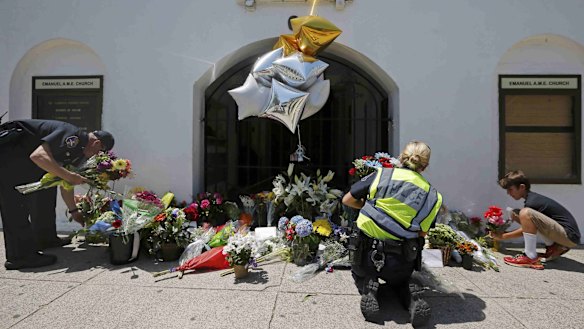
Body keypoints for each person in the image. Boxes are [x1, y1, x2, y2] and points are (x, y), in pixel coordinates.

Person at [342, 141, 442, 326]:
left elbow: (347, 200)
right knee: (401, 280)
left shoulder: (381, 175)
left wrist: (369, 208)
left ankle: (369, 286)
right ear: (425, 166)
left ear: (401, 157)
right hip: (401, 261)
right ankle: (410, 296)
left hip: (366, 256)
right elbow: (422, 234)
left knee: (360, 273)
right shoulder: (432, 195)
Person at [0, 119, 114, 270]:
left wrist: (74, 211)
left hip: (22, 157)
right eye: (100, 153)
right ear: (97, 143)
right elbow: (39, 156)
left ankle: (45, 239)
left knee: (46, 190)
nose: (95, 157)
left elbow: (65, 183)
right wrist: (69, 176)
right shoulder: (73, 136)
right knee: (15, 204)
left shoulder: (78, 150)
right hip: (10, 155)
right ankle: (20, 257)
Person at [493, 170, 581, 269]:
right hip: (566, 234)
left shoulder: (532, 202)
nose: (508, 193)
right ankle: (552, 247)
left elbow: (527, 229)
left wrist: (503, 236)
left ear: (522, 187)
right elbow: (530, 227)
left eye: (510, 189)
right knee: (515, 213)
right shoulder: (532, 199)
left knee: (525, 213)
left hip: (569, 236)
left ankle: (529, 256)